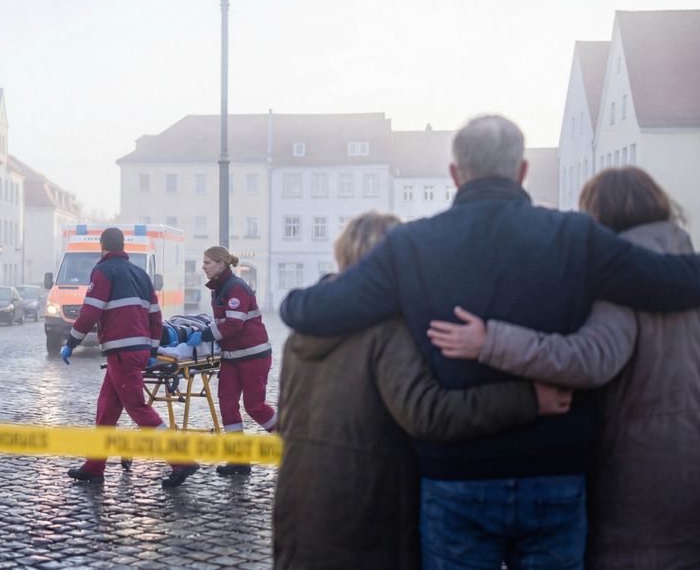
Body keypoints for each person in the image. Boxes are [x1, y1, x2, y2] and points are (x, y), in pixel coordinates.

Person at [279, 115, 700, 569]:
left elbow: (313, 311)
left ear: (455, 174)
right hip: (554, 472)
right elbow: (676, 281)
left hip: (457, 477)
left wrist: (295, 299)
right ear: (522, 171)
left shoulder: (412, 246)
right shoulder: (574, 236)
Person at [427, 167, 700, 569]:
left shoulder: (627, 279)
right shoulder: (687, 271)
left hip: (640, 470)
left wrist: (491, 342)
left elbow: (590, 360)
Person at [276, 211, 571, 569]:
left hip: (301, 501)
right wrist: (526, 398)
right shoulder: (385, 330)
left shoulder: (303, 329)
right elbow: (428, 413)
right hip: (366, 509)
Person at [60, 227, 199, 488]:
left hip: (121, 351)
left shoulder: (103, 272)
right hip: (134, 351)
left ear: (103, 247)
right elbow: (156, 316)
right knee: (107, 409)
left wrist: (71, 342)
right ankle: (94, 466)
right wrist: (153, 350)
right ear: (122, 246)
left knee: (138, 408)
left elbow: (90, 311)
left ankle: (181, 459)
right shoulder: (140, 274)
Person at [184, 246, 274, 476]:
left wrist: (205, 334)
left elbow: (234, 324)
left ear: (221, 264)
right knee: (227, 404)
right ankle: (239, 458)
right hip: (232, 358)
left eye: (207, 262)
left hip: (253, 355)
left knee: (255, 407)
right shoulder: (219, 287)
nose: (203, 266)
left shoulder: (236, 287)